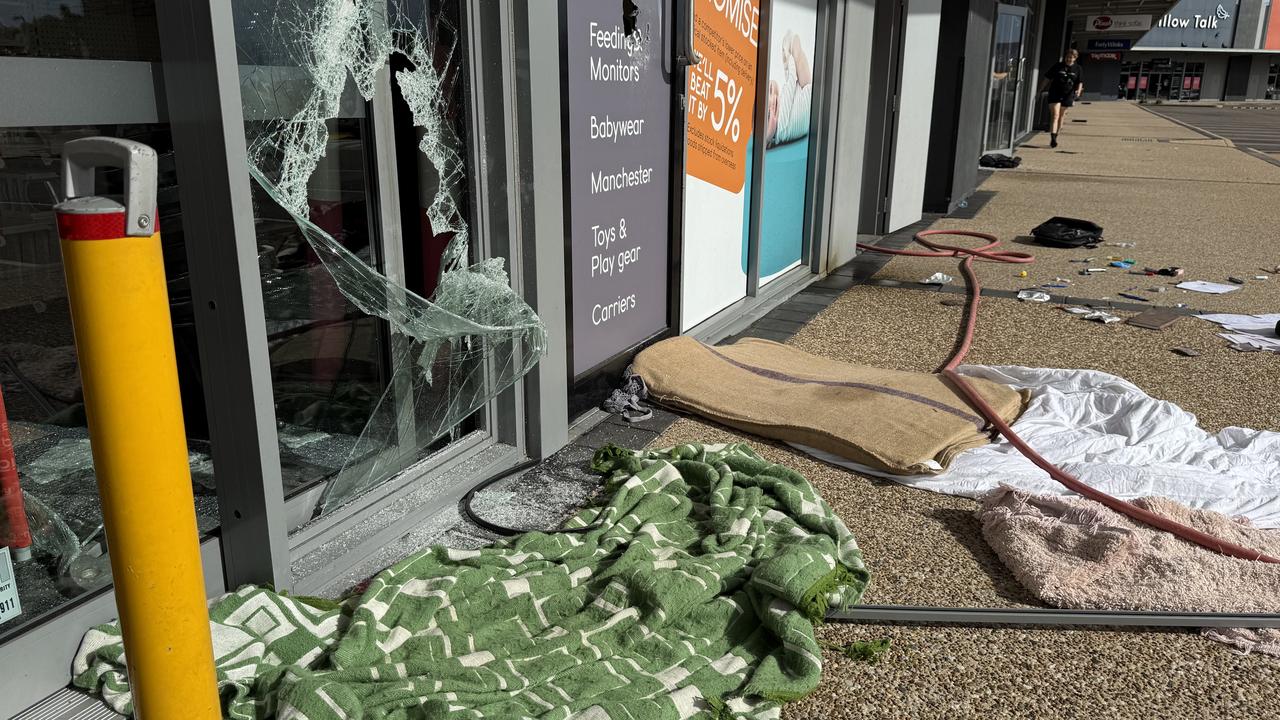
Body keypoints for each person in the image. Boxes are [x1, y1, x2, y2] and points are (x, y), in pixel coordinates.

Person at [766, 30, 812, 146]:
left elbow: (789, 94)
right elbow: (791, 84)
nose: (771, 107)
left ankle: (787, 54)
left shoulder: (779, 135)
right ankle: (788, 55)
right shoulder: (781, 123)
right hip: (807, 96)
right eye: (768, 114)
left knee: (794, 46)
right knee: (797, 51)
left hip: (801, 107)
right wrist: (791, 61)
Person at [1039, 49, 1083, 149]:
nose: (1068, 59)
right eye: (1067, 57)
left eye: (1071, 57)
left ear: (1075, 58)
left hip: (1068, 94)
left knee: (1061, 116)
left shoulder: (1078, 68)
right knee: (1055, 115)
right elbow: (1047, 78)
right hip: (1055, 93)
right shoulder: (1058, 66)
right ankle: (1053, 139)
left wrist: (1078, 91)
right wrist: (1040, 90)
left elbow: (1080, 82)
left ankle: (1056, 135)